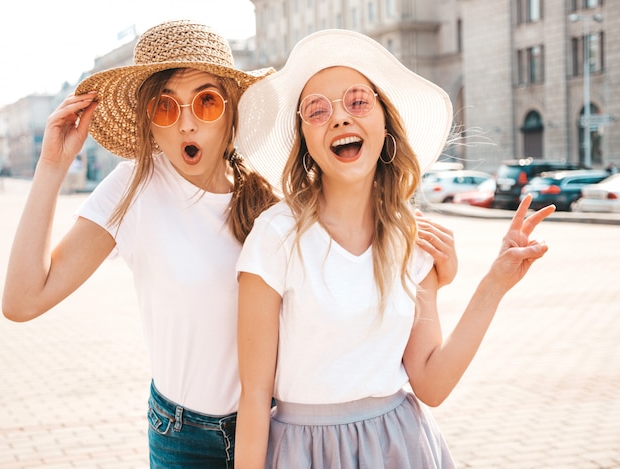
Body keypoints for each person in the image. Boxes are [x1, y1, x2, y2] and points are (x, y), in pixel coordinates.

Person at [233, 29, 556, 468]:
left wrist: (494, 284)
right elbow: (253, 397)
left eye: (358, 102)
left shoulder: (412, 237)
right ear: (303, 140)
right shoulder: (275, 236)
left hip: (401, 449)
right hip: (304, 454)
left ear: (384, 122)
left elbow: (432, 384)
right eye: (317, 110)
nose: (341, 118)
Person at [1, 20, 280, 468]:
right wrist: (52, 166)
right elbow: (21, 300)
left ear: (231, 109)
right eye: (167, 108)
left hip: (274, 427)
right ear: (150, 120)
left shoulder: (269, 193)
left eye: (206, 102)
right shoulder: (136, 183)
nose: (187, 124)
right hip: (182, 437)